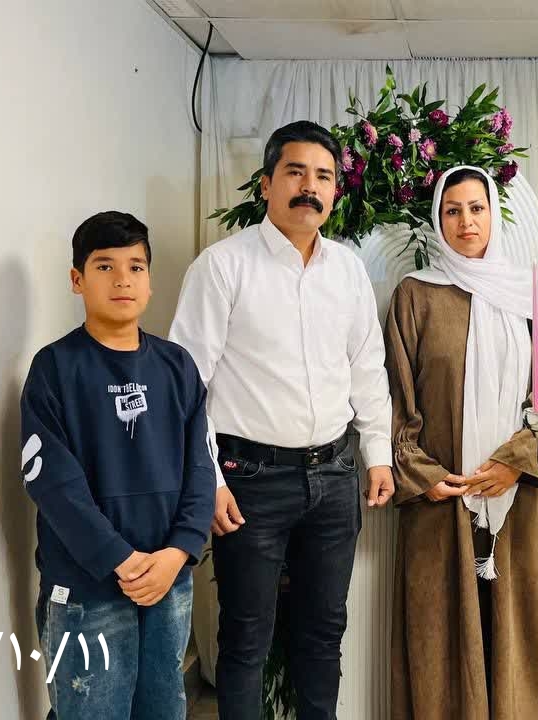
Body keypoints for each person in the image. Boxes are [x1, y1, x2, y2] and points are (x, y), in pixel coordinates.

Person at [169, 120, 395, 720]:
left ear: (335, 191)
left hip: (335, 476)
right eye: (295, 172)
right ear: (267, 183)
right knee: (247, 638)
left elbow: (366, 367)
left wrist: (379, 454)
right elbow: (186, 389)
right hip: (249, 482)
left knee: (323, 632)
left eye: (323, 176)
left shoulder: (347, 270)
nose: (309, 187)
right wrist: (208, 480)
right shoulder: (222, 267)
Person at [385, 165, 538, 720]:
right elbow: (396, 397)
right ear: (438, 219)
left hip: (518, 493)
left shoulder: (530, 299)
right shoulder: (415, 295)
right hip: (440, 497)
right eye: (453, 210)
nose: (466, 221)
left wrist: (515, 464)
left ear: (493, 215)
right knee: (440, 634)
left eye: (477, 208)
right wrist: (424, 476)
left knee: (517, 627)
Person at [21, 211, 216, 720]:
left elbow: (201, 468)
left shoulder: (177, 367)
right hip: (87, 588)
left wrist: (177, 553)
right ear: (77, 279)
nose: (123, 279)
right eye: (104, 267)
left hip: (168, 580)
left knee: (163, 707)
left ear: (150, 280)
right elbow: (53, 482)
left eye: (136, 267)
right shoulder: (55, 368)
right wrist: (118, 558)